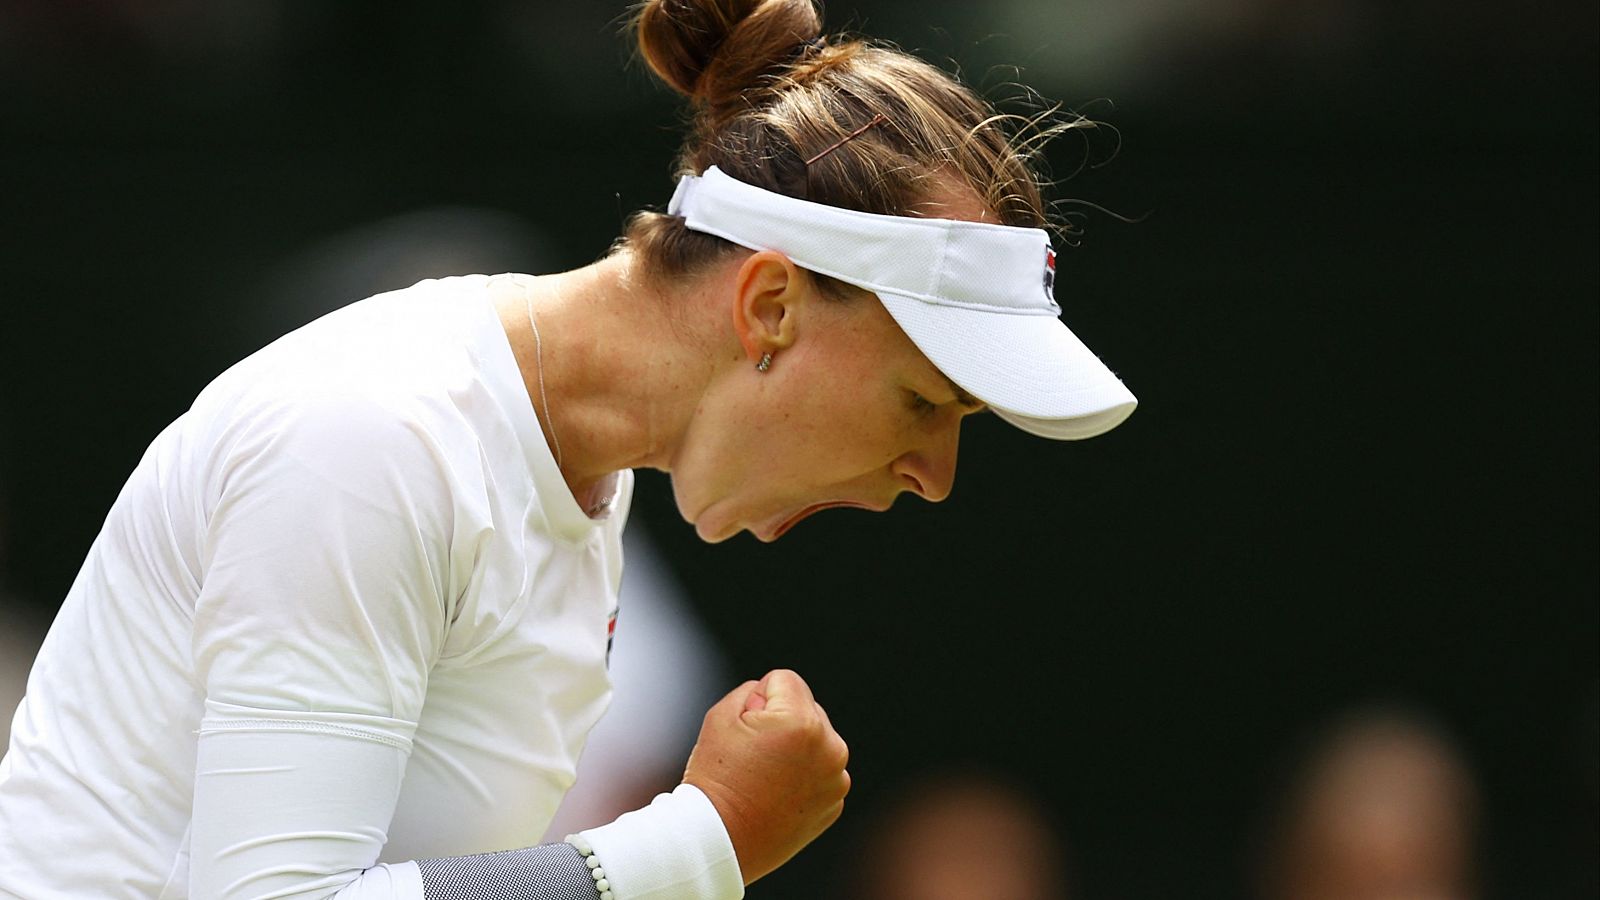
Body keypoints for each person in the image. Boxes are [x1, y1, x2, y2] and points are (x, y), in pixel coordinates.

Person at [0, 0, 1137, 897]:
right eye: (922, 403)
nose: (930, 478)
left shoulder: (575, 474)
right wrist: (701, 847)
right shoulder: (375, 438)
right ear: (772, 306)